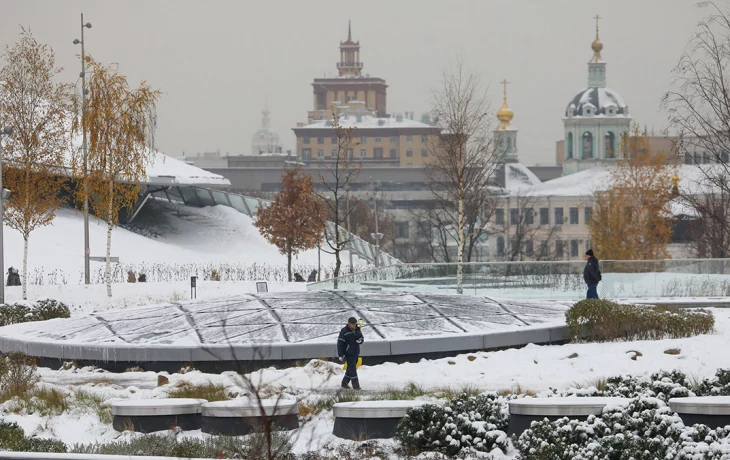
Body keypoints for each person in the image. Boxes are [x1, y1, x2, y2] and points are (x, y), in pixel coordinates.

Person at [337, 317, 364, 390]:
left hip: (356, 352)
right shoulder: (344, 331)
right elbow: (340, 343)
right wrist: (340, 354)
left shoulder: (358, 330)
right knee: (352, 369)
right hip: (348, 353)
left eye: (355, 324)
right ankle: (356, 385)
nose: (354, 325)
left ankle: (344, 383)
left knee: (350, 369)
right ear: (349, 323)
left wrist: (360, 340)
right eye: (353, 324)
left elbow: (361, 337)